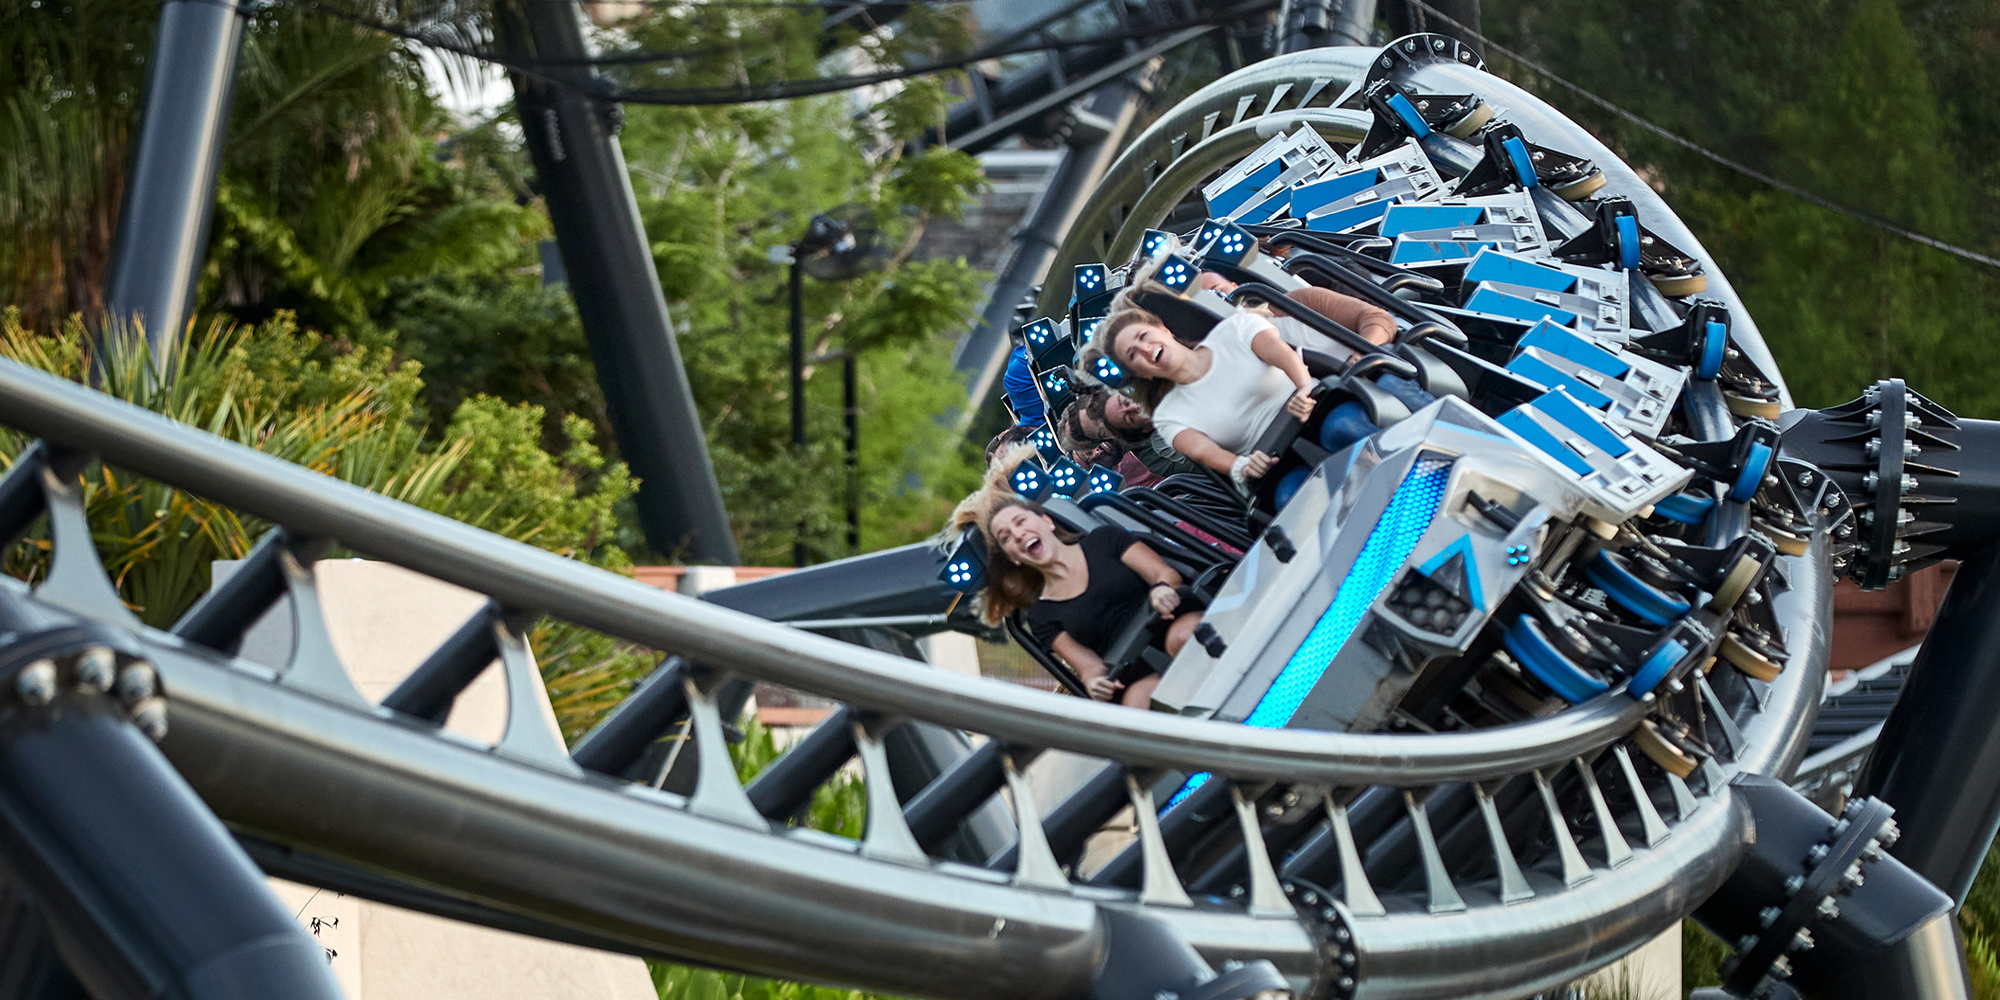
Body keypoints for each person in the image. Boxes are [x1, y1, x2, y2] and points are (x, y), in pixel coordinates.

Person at [977, 492, 1202, 707]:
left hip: (1167, 621)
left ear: (1047, 522)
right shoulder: (1041, 614)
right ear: (1013, 558)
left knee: (1183, 638)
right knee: (1138, 704)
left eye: (1020, 521)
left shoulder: (1105, 540)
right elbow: (1089, 668)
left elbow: (1164, 574)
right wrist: (1094, 683)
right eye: (1006, 537)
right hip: (1133, 666)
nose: (1018, 534)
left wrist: (1161, 589)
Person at [1067, 383, 1197, 485]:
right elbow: (1202, 465)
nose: (1097, 454)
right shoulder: (1157, 461)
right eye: (1094, 465)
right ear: (1112, 469)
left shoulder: (1130, 381)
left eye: (1087, 452)